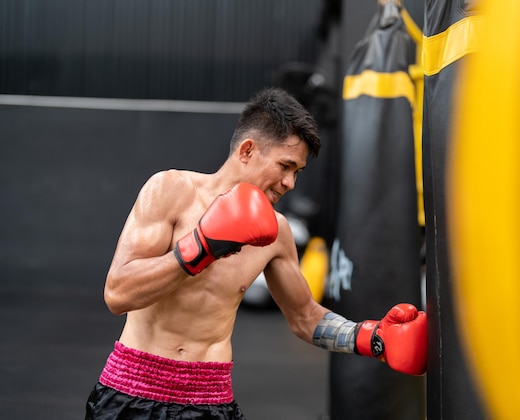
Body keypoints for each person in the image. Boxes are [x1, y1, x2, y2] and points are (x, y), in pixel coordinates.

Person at [85, 87, 427, 419]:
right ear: (247, 150)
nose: (290, 183)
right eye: (285, 165)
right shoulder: (171, 190)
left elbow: (305, 316)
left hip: (210, 398)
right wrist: (200, 247)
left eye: (298, 172)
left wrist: (369, 337)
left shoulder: (277, 231)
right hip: (133, 388)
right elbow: (118, 294)